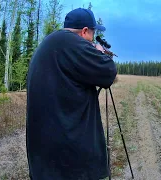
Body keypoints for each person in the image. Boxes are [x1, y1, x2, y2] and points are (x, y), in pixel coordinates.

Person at [26, 7, 117, 180]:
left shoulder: (51, 42)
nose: (92, 39)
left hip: (44, 151)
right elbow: (108, 72)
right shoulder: (73, 43)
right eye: (92, 33)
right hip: (68, 156)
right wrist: (100, 53)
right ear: (84, 31)